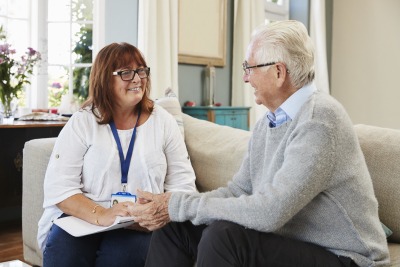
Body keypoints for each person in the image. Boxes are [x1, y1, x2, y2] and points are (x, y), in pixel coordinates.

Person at [128, 21, 390, 267]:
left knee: (223, 237)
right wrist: (174, 206)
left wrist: (177, 205)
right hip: (296, 244)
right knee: (175, 227)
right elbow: (239, 190)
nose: (245, 78)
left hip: (348, 257)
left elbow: (270, 212)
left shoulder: (319, 119)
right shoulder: (269, 122)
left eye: (249, 68)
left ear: (278, 72)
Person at [37, 42, 196, 267]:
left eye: (141, 71)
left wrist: (154, 213)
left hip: (139, 222)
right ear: (104, 79)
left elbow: (184, 187)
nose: (138, 79)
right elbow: (59, 188)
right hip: (86, 217)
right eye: (126, 73)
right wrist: (102, 214)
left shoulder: (163, 122)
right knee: (62, 256)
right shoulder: (83, 121)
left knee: (121, 259)